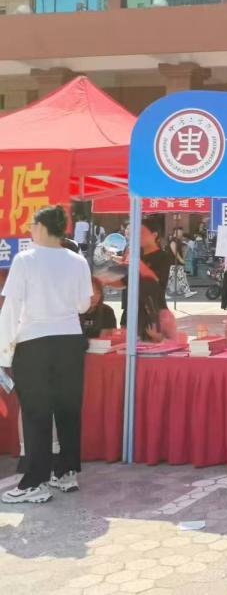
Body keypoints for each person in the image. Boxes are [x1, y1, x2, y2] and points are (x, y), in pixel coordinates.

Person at [0, 205, 93, 504]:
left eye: (32, 225)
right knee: (68, 409)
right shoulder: (78, 260)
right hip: (70, 341)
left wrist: (3, 353)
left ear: (41, 227)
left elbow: (11, 308)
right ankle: (66, 473)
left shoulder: (25, 259)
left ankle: (33, 482)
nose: (30, 230)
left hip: (34, 342)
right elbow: (83, 305)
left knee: (36, 413)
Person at [102, 217, 175, 342]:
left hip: (153, 310)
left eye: (142, 232)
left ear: (154, 235)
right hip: (130, 310)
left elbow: (154, 280)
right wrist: (102, 280)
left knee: (153, 348)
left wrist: (135, 260)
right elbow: (123, 281)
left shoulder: (163, 257)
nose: (137, 236)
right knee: (127, 347)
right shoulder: (136, 255)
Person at [167, 228, 195, 298]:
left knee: (181, 278)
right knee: (171, 279)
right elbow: (175, 252)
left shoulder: (178, 241)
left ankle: (187, 292)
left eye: (181, 232)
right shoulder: (173, 241)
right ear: (176, 232)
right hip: (173, 263)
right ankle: (164, 294)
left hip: (176, 264)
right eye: (180, 233)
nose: (181, 234)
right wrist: (180, 259)